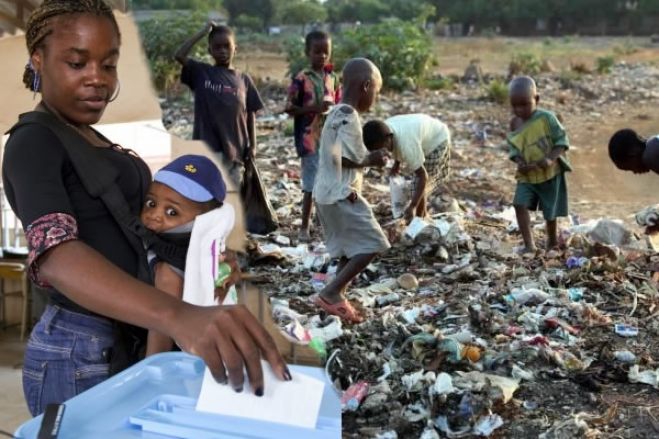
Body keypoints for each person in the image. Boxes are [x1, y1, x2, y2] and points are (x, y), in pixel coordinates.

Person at [2, 0, 288, 417]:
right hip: (79, 348)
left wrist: (200, 258)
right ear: (38, 60)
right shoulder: (34, 141)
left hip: (129, 333)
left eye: (108, 64)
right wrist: (178, 315)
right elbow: (55, 255)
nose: (96, 79)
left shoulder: (91, 140)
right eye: (77, 63)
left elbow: (139, 230)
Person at [312, 58, 391, 324]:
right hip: (339, 194)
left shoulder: (335, 112)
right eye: (376, 92)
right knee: (373, 243)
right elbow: (341, 157)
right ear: (366, 86)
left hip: (325, 194)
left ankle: (337, 297)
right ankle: (331, 291)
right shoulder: (349, 115)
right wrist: (372, 159)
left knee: (347, 250)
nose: (375, 98)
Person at [141, 155, 240, 356]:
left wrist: (151, 371)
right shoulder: (205, 255)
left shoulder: (169, 271)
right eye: (151, 203)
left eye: (171, 212)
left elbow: (161, 329)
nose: (155, 215)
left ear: (202, 222)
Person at [174, 22, 264, 187]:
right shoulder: (201, 73)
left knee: (232, 199)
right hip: (208, 149)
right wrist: (202, 32)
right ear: (210, 51)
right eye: (217, 47)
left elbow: (250, 114)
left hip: (236, 151)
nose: (222, 51)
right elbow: (179, 55)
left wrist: (253, 146)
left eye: (226, 46)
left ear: (235, 48)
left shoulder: (244, 80)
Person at [285, 30, 341, 242]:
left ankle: (325, 224)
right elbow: (289, 108)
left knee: (331, 181)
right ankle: (304, 227)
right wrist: (315, 108)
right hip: (309, 139)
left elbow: (340, 104)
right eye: (317, 52)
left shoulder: (332, 78)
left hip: (331, 139)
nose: (322, 56)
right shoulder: (301, 78)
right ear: (308, 52)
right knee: (310, 184)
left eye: (326, 52)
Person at [507, 76, 571, 252]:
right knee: (519, 204)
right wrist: (519, 161)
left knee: (549, 212)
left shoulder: (547, 119)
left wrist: (550, 158)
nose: (519, 110)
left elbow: (562, 140)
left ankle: (552, 241)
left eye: (524, 104)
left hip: (549, 174)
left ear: (536, 99)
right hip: (527, 175)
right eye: (515, 105)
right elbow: (513, 147)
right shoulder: (515, 123)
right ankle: (529, 245)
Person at [362, 114, 452, 221]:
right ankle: (421, 217)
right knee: (417, 187)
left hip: (437, 139)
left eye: (382, 149)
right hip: (420, 133)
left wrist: (412, 206)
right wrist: (397, 164)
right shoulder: (383, 131)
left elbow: (423, 176)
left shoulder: (406, 145)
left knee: (417, 185)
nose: (382, 154)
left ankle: (420, 219)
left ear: (388, 139)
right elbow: (395, 146)